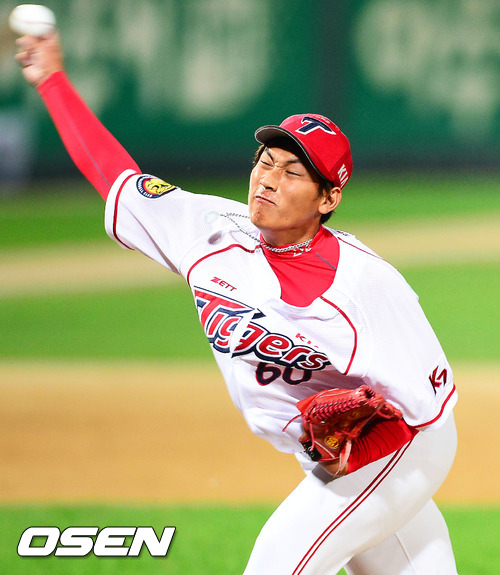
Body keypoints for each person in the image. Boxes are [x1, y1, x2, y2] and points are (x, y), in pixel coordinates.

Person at [15, 32, 459, 575]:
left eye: (292, 173)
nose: (268, 180)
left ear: (328, 198)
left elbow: (428, 411)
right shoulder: (207, 231)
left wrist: (361, 446)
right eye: (265, 162)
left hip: (401, 453)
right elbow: (116, 178)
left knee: (277, 562)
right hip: (336, 459)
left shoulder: (366, 285)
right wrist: (53, 81)